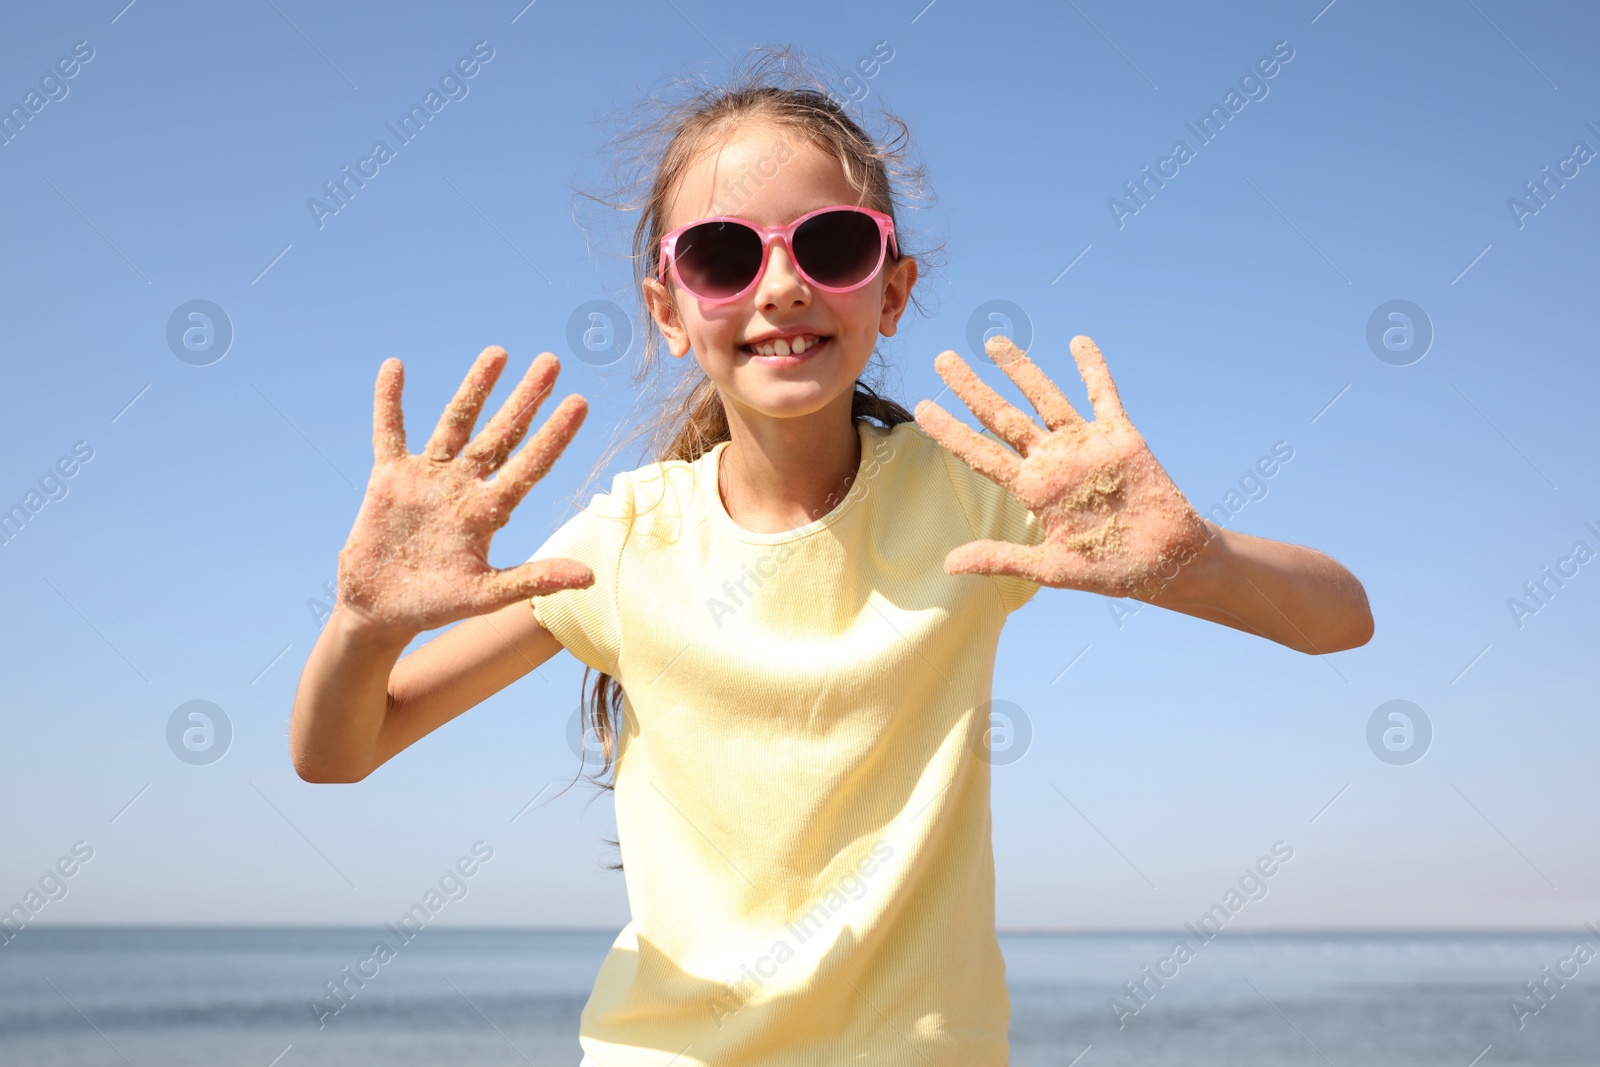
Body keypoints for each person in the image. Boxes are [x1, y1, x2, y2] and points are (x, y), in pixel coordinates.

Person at [288, 46, 1372, 1067]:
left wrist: (1197, 560)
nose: (780, 284)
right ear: (668, 310)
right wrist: (364, 623)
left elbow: (1339, 617)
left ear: (890, 288)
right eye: (722, 254)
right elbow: (340, 749)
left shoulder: (971, 497)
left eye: (831, 244)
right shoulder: (625, 541)